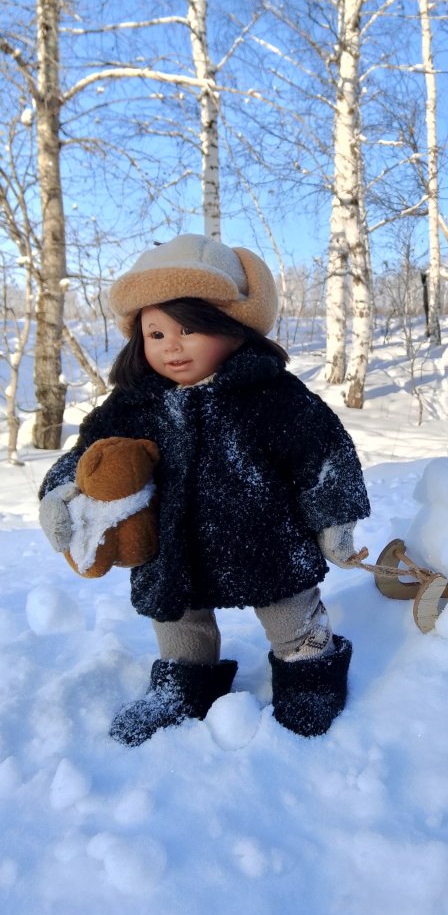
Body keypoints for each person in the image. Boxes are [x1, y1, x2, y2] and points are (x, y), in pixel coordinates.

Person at [39, 234, 371, 745]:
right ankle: (183, 683)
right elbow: (90, 456)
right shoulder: (134, 403)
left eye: (190, 328)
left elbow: (323, 454)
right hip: (171, 546)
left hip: (266, 537)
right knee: (179, 620)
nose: (171, 345)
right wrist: (62, 490)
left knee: (289, 609)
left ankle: (309, 665)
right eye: (155, 333)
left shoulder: (269, 394)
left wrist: (334, 519)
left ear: (233, 328)